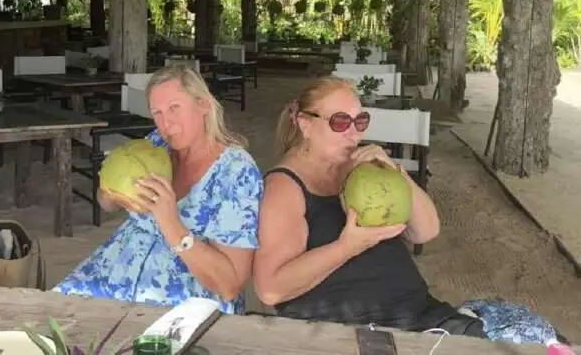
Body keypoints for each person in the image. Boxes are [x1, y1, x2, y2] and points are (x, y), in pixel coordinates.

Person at [252, 76, 566, 344]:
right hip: (365, 332)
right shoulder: (285, 188)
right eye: (340, 121)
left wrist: (396, 172)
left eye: (360, 121)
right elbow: (271, 289)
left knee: (545, 341)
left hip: (419, 314)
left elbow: (426, 230)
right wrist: (347, 247)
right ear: (305, 124)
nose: (354, 132)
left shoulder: (359, 168)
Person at [54, 65, 263, 314]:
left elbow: (229, 285)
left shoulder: (236, 171)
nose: (166, 123)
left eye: (175, 108)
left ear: (203, 105)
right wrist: (112, 195)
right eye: (157, 112)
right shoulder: (157, 143)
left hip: (178, 299)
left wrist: (171, 225)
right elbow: (106, 201)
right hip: (114, 270)